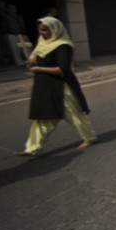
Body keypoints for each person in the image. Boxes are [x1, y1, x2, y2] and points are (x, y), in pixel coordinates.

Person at [14, 17, 97, 156]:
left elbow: (62, 69)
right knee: (43, 118)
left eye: (46, 30)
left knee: (74, 115)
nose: (42, 33)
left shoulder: (62, 46)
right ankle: (34, 148)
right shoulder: (42, 43)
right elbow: (36, 60)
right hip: (45, 87)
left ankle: (89, 137)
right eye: (40, 30)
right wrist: (32, 64)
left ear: (55, 29)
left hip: (61, 87)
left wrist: (39, 69)